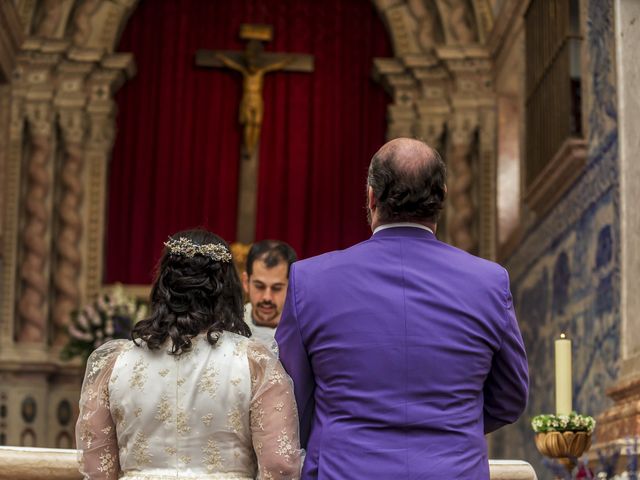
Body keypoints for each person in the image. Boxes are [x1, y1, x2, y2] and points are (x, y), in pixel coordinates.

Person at [276, 138, 529, 479]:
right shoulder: (489, 282)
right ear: (442, 195)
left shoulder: (310, 280)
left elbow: (292, 399)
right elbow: (510, 396)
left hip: (345, 469)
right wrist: (454, 424)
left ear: (370, 197)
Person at [76, 229, 302, 480]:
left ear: (163, 286)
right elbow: (280, 466)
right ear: (228, 288)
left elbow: (96, 467)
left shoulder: (115, 363)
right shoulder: (254, 363)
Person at [242, 240, 297, 348]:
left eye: (277, 288)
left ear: (292, 287)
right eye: (259, 286)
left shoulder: (301, 332)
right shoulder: (230, 325)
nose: (267, 297)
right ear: (246, 282)